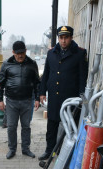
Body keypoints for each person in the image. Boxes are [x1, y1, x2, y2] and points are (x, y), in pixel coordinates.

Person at [38, 26, 88, 161]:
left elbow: (82, 78)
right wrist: (42, 92)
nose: (63, 41)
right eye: (61, 38)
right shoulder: (51, 53)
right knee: (52, 126)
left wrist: (81, 98)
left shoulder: (79, 54)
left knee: (69, 127)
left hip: (71, 98)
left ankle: (66, 154)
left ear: (71, 38)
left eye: (66, 37)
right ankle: (50, 152)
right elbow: (46, 74)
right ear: (58, 38)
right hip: (54, 97)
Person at [0, 41, 41, 159]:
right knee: (11, 127)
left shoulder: (32, 64)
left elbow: (37, 83)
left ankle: (26, 149)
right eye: (17, 53)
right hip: (11, 101)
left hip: (27, 101)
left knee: (26, 126)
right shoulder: (6, 64)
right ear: (13, 52)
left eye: (22, 53)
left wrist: (37, 98)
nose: (20, 55)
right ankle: (12, 149)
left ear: (26, 51)